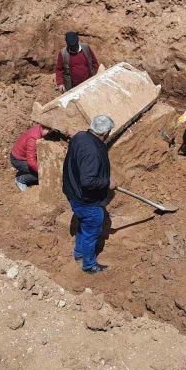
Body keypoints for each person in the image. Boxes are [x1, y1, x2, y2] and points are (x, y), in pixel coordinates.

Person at [62, 115, 116, 274]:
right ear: (105, 133)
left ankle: (79, 253)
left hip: (73, 192)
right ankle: (89, 265)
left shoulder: (80, 136)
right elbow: (88, 181)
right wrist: (107, 183)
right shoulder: (93, 152)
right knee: (91, 231)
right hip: (86, 200)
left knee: (83, 226)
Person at [10, 124, 50, 191]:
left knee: (41, 168)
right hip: (18, 160)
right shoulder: (33, 139)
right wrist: (41, 172)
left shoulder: (39, 127)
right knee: (41, 174)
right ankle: (21, 180)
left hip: (22, 155)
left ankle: (24, 172)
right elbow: (31, 162)